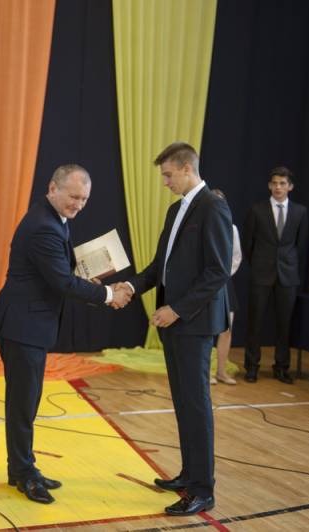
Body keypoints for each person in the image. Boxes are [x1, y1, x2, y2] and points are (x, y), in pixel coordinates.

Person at [0, 164, 130, 505]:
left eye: (84, 199)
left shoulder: (53, 218)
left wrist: (84, 281)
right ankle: (23, 473)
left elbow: (58, 274)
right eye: (73, 196)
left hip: (27, 324)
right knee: (23, 404)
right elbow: (62, 283)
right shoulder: (44, 226)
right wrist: (108, 295)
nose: (78, 204)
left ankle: (21, 469)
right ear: (53, 188)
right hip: (22, 326)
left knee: (26, 401)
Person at [116, 142, 232, 516]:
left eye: (168, 175)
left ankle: (202, 490)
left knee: (195, 405)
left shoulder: (213, 206)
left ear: (186, 168)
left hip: (193, 323)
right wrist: (130, 286)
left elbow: (217, 271)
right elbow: (159, 267)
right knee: (184, 403)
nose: (165, 182)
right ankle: (189, 474)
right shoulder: (175, 209)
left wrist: (177, 310)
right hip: (175, 324)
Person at [242, 166, 308, 384]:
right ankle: (252, 366)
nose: (278, 187)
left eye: (283, 183)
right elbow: (248, 244)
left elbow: (301, 245)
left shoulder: (300, 212)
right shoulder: (257, 210)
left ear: (290, 187)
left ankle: (281, 367)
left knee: (284, 324)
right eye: (275, 183)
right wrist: (259, 264)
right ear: (269, 186)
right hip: (261, 273)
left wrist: (287, 264)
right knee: (255, 322)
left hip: (288, 275)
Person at [210, 189, 240, 385]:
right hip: (205, 284)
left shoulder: (232, 228)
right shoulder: (201, 226)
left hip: (224, 283)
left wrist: (223, 274)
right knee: (206, 331)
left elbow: (236, 257)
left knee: (226, 329)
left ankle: (221, 371)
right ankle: (205, 373)